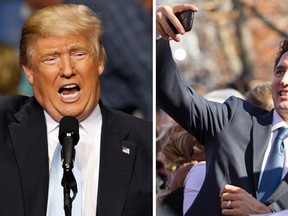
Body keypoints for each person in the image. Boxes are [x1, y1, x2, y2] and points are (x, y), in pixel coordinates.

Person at [0, 4, 152, 216]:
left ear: (100, 61)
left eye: (79, 54)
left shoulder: (145, 143)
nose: (68, 70)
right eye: (51, 58)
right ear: (29, 71)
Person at [156, 3, 288, 215]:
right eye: (279, 71)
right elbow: (172, 93)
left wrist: (264, 213)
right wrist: (158, 35)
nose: (283, 81)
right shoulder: (234, 118)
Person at [64, 0, 153, 120]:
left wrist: (150, 131)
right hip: (94, 116)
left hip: (122, 114)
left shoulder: (111, 7)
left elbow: (145, 71)